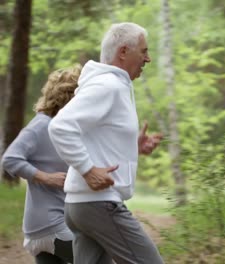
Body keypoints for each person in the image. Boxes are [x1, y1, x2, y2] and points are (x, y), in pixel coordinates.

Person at [48, 22, 164, 264]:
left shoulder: (113, 86)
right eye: (143, 51)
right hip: (98, 205)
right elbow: (60, 126)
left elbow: (97, 139)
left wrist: (134, 147)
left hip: (83, 207)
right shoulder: (107, 86)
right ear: (123, 52)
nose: (148, 59)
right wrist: (88, 170)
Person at [1, 65, 82, 264]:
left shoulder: (65, 128)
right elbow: (10, 158)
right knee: (99, 259)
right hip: (51, 226)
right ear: (70, 96)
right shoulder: (42, 124)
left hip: (45, 227)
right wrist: (45, 177)